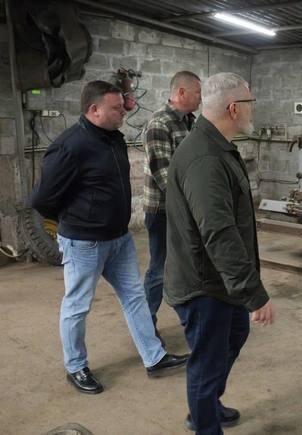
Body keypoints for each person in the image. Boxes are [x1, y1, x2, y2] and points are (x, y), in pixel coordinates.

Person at [30, 80, 188, 395]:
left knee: (134, 297)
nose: (123, 112)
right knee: (77, 305)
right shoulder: (70, 145)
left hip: (119, 239)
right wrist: (76, 220)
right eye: (116, 108)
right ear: (95, 109)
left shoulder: (114, 138)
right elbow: (42, 199)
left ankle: (154, 357)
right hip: (84, 243)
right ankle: (75, 366)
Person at [164, 72, 275, 434]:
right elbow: (219, 232)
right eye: (249, 102)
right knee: (207, 363)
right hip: (204, 285)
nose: (252, 109)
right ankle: (204, 421)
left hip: (218, 281)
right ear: (233, 108)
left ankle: (206, 405)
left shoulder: (217, 146)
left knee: (235, 334)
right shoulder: (206, 158)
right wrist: (253, 293)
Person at [142, 71, 201, 339]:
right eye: (198, 93)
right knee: (160, 268)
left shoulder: (191, 122)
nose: (201, 98)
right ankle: (146, 326)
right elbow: (164, 175)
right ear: (181, 93)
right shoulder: (159, 124)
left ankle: (193, 317)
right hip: (163, 210)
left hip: (186, 208)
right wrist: (192, 205)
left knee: (187, 265)